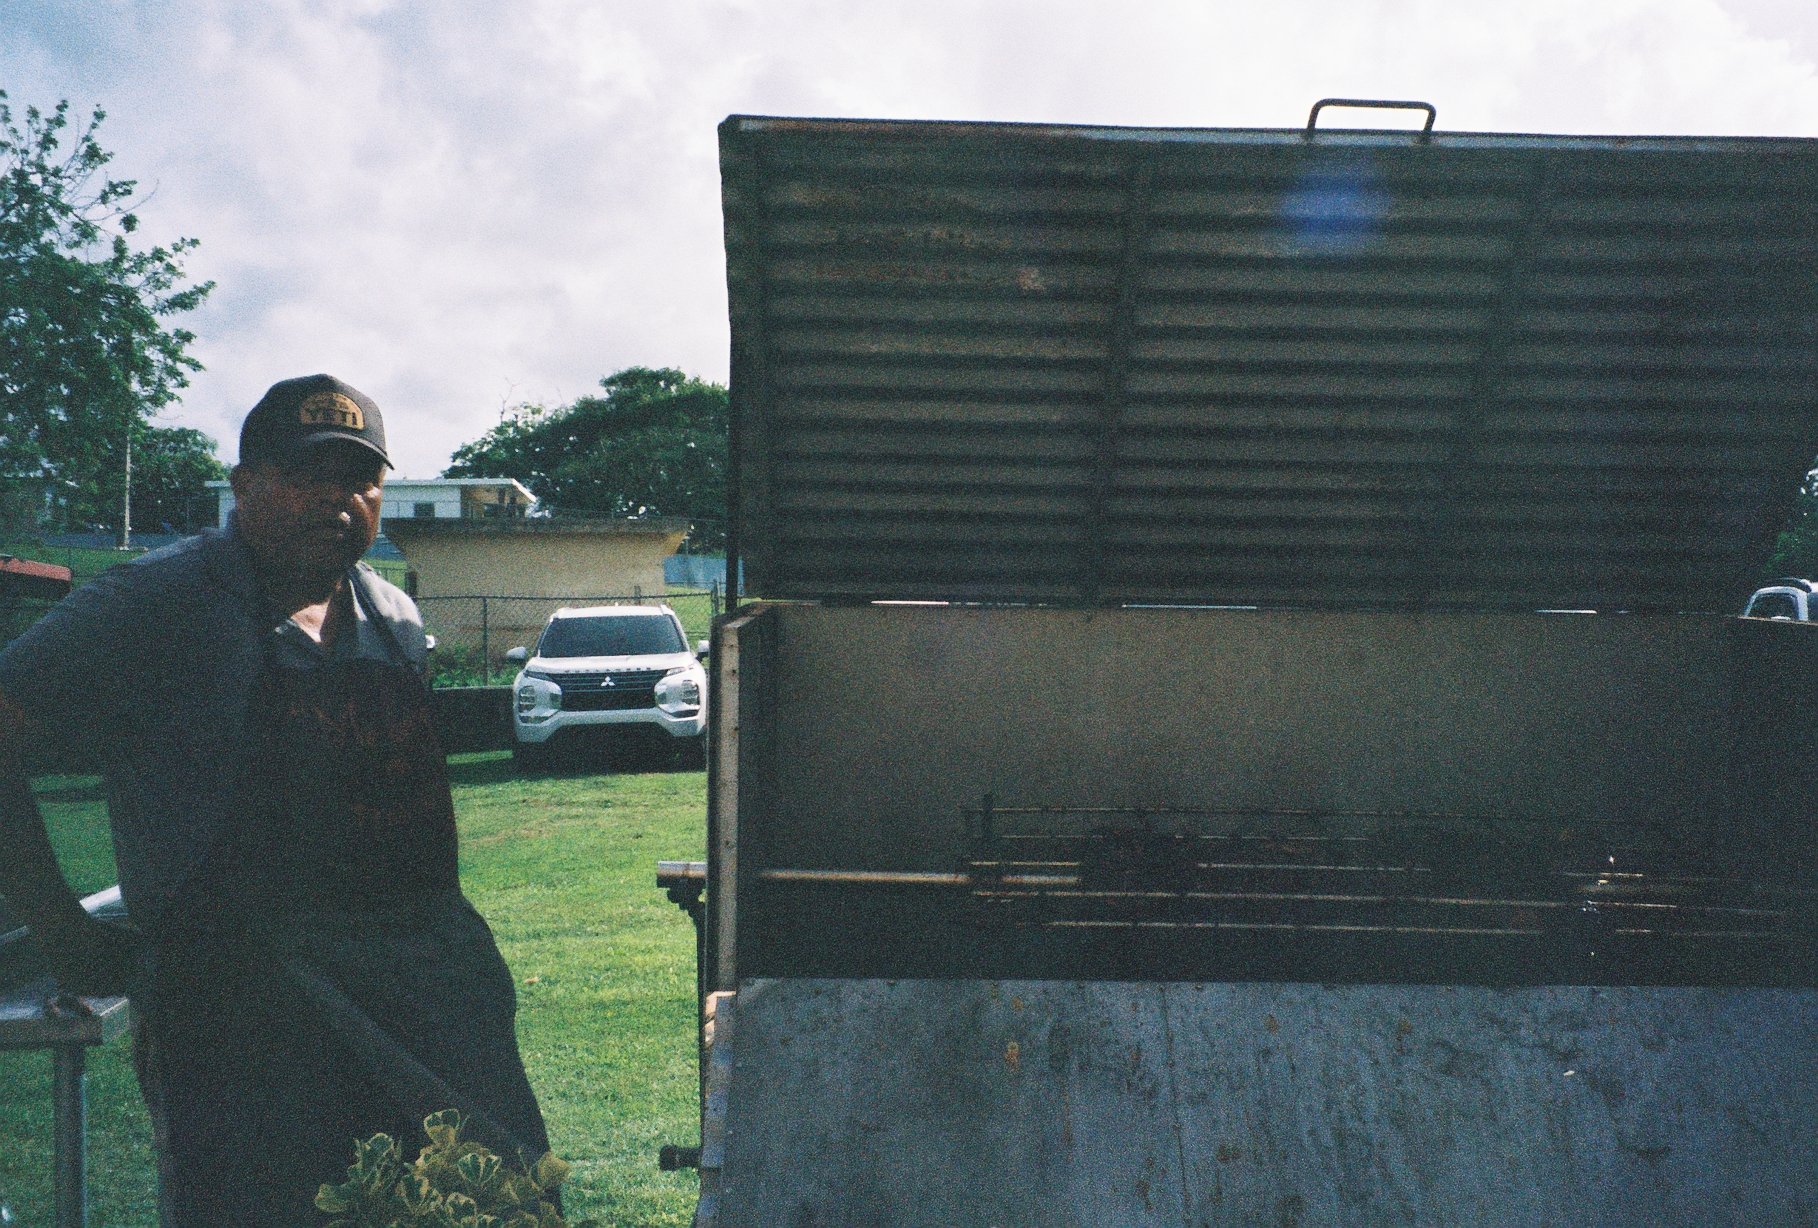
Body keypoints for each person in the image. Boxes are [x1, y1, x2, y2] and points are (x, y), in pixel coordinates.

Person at [0, 375, 550, 1225]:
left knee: (489, 1206)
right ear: (244, 484)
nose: (338, 499)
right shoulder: (152, 603)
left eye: (360, 479)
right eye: (305, 475)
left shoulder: (394, 616)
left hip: (426, 1003)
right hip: (244, 1021)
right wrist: (59, 927)